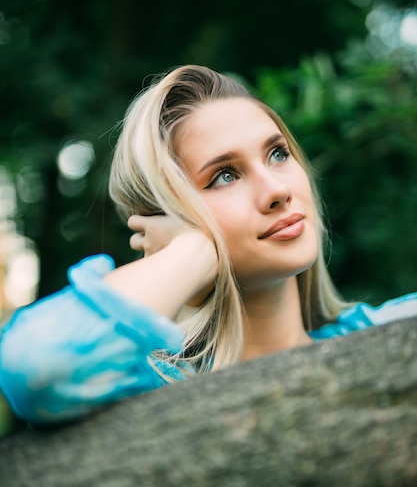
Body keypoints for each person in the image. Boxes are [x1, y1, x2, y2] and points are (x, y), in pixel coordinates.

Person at [1, 65, 416, 425]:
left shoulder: (390, 333)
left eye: (278, 154)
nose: (277, 191)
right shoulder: (144, 388)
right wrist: (194, 251)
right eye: (224, 176)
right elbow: (38, 367)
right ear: (170, 217)